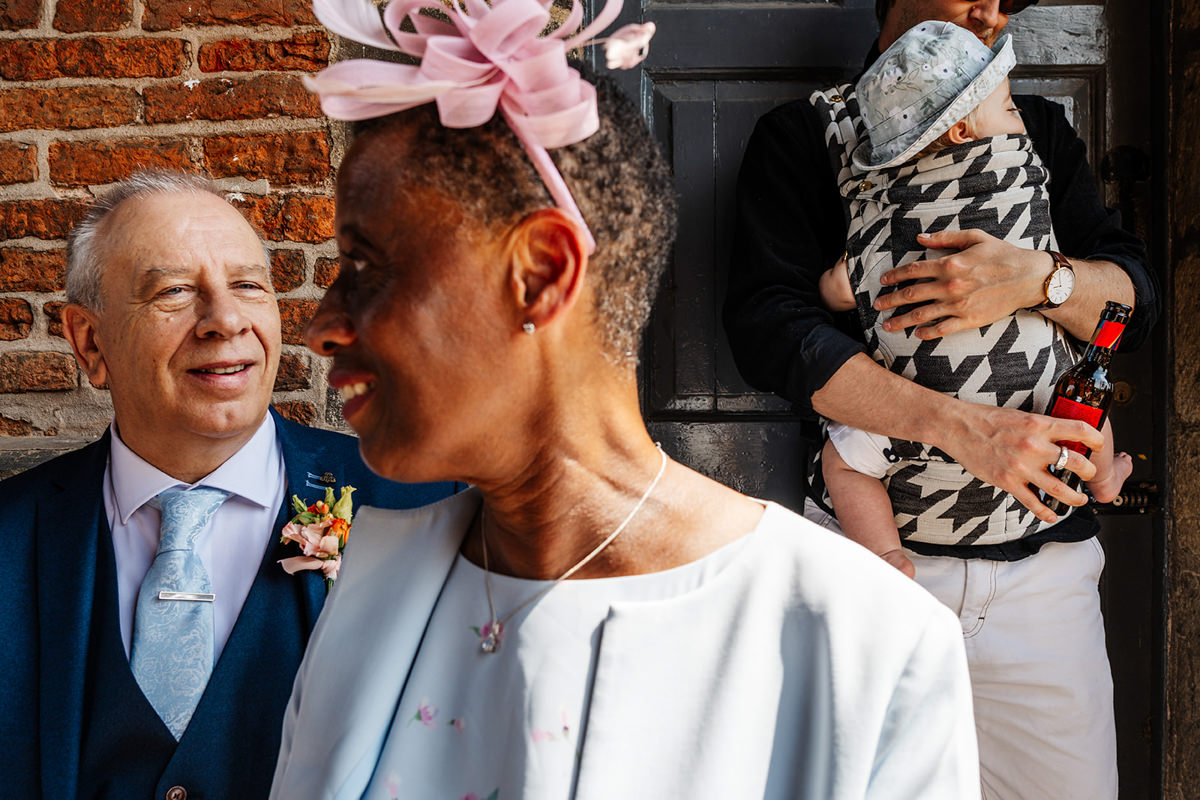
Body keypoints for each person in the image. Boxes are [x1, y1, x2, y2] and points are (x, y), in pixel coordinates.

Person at [271, 0, 979, 797]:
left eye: (365, 265)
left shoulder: (867, 647)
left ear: (540, 275)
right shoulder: (369, 593)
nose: (322, 326)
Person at [725, 0, 1160, 796]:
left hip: (1042, 576)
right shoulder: (805, 137)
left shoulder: (1036, 128)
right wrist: (961, 427)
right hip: (881, 563)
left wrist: (1038, 278)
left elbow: (1133, 302)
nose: (993, 11)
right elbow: (770, 330)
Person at [0, 170, 455, 800]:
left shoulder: (422, 508)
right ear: (90, 340)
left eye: (247, 285)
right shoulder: (10, 535)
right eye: (174, 292)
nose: (225, 319)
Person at [815, 22, 1132, 579]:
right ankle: (1104, 479)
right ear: (962, 129)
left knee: (842, 463)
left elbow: (838, 291)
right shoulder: (1024, 201)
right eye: (1009, 109)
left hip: (913, 398)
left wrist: (846, 282)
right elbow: (1126, 301)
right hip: (1036, 394)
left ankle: (887, 555)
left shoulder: (881, 225)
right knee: (1083, 412)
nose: (1021, 121)